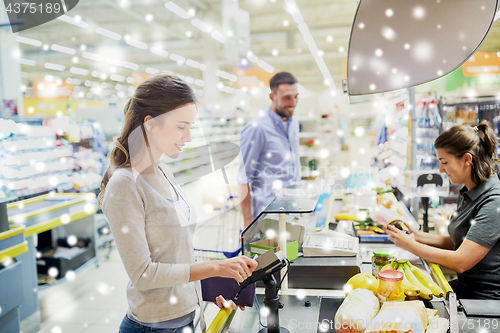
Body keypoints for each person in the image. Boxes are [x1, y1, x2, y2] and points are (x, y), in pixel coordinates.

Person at [98, 74, 258, 333]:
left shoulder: (163, 172)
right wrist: (216, 267)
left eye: (191, 126)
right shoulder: (125, 185)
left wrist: (215, 286)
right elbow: (143, 274)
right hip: (153, 327)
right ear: (150, 124)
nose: (189, 136)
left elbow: (175, 257)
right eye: (182, 126)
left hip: (184, 318)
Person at [388, 120, 500, 299]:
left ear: (467, 159)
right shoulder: (470, 191)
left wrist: (411, 245)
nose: (441, 169)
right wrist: (417, 235)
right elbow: (461, 240)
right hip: (465, 288)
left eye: (444, 162)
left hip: (484, 301)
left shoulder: (493, 202)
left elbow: (461, 261)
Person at [238, 72, 300, 228]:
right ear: (272, 97)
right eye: (287, 97)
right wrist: (247, 223)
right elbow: (243, 179)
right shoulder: (257, 128)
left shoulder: (293, 125)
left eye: (296, 96)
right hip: (268, 216)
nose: (293, 103)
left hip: (293, 211)